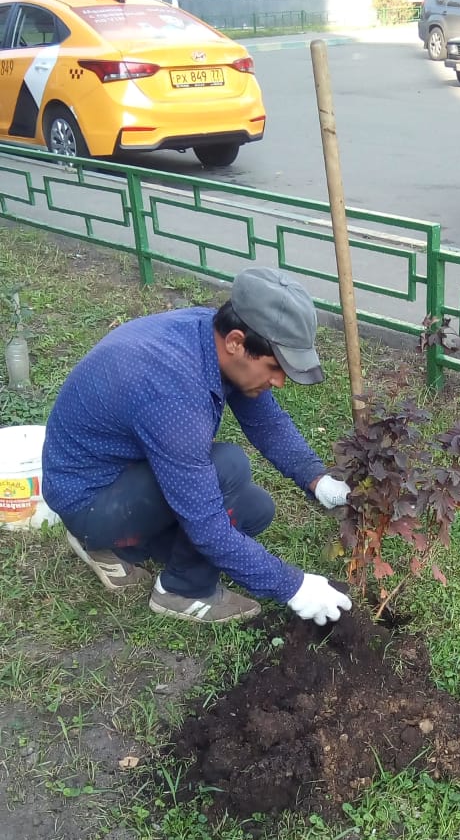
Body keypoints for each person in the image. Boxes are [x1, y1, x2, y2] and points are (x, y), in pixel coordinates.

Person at [41, 266, 353, 627]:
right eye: (275, 367)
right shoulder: (171, 392)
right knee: (229, 467)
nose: (280, 382)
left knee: (253, 508)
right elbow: (206, 525)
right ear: (237, 342)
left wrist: (318, 481)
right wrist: (293, 586)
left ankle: (125, 545)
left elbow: (266, 422)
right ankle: (181, 591)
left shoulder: (210, 336)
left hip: (123, 477)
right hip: (89, 499)